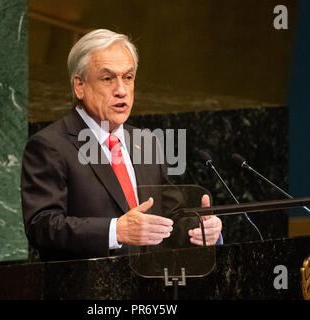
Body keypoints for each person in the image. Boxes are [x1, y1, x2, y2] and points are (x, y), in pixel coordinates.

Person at [21, 29, 222, 261]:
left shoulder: (145, 142)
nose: (121, 90)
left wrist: (200, 228)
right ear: (80, 86)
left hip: (150, 287)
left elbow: (170, 216)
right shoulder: (50, 145)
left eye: (128, 77)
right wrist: (115, 231)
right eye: (108, 79)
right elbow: (42, 226)